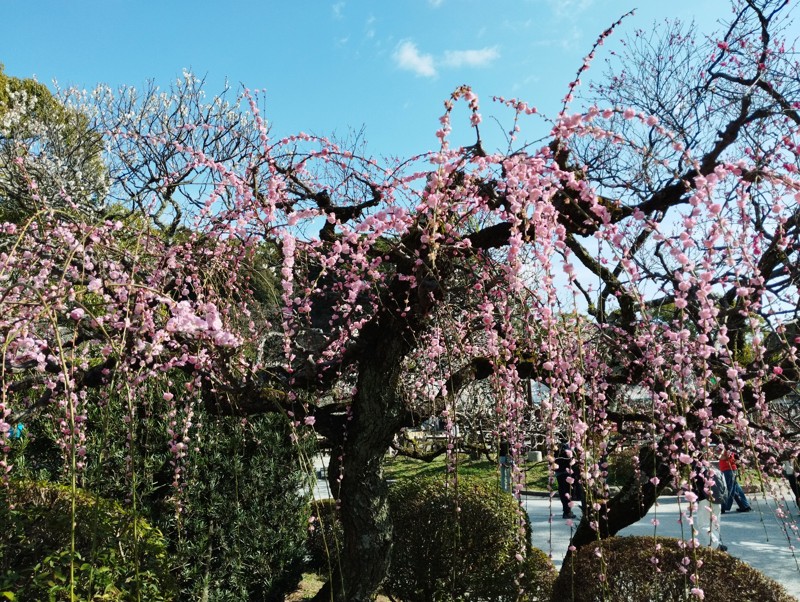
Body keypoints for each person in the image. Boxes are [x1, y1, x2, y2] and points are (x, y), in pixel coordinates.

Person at [692, 463, 728, 552]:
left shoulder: (698, 470)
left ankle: (716, 545)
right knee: (715, 524)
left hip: (705, 499)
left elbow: (695, 486)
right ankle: (716, 544)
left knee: (703, 524)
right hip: (718, 499)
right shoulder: (716, 470)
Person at [555, 440, 584, 519]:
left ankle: (567, 511)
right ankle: (567, 511)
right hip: (566, 471)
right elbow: (570, 459)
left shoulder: (555, 446)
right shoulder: (567, 446)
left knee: (563, 492)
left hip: (559, 471)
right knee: (567, 492)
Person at [718, 446, 752, 513]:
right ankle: (744, 506)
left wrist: (723, 451)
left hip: (728, 471)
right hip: (729, 470)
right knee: (735, 489)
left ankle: (723, 507)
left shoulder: (727, 451)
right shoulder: (728, 450)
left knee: (728, 489)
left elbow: (721, 457)